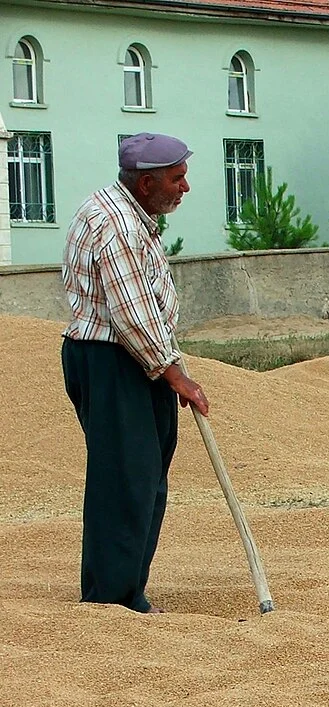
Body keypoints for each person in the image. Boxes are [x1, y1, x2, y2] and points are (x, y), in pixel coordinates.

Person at [61, 132, 209, 614]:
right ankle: (114, 596)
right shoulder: (115, 223)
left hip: (133, 359)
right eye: (176, 178)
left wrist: (167, 364)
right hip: (112, 360)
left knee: (143, 477)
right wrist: (175, 376)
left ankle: (124, 586)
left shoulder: (133, 214)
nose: (184, 187)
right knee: (126, 478)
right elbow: (131, 314)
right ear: (146, 183)